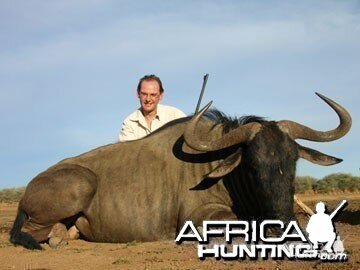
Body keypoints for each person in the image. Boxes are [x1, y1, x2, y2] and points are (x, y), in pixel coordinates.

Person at [119, 75, 186, 141]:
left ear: (161, 95)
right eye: (144, 94)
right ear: (138, 94)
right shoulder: (129, 123)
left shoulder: (176, 116)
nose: (148, 99)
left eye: (153, 95)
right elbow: (128, 151)